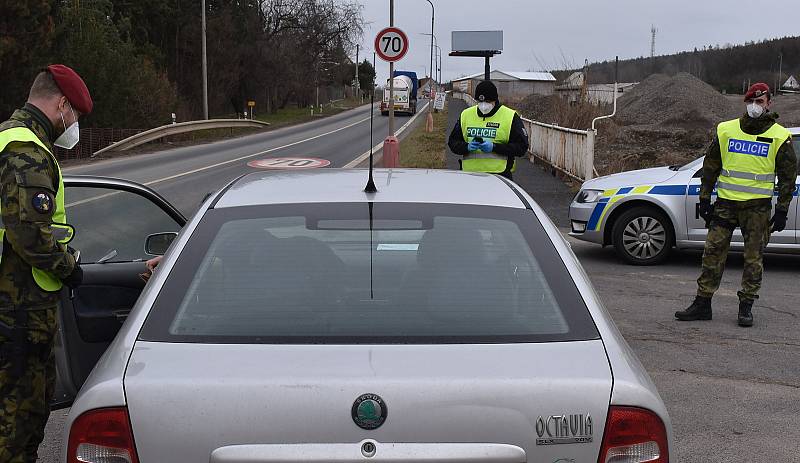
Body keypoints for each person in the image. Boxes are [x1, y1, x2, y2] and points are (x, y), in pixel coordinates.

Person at [0, 64, 92, 462]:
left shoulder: (9, 136)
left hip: (16, 308)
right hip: (17, 311)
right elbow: (30, 237)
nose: (74, 125)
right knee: (17, 426)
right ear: (63, 105)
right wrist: (70, 268)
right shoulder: (26, 153)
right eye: (76, 116)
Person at [675, 83, 797, 327]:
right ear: (745, 103)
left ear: (769, 104)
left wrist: (782, 209)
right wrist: (704, 199)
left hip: (757, 209)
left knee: (753, 259)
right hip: (725, 205)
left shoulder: (779, 135)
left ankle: (746, 307)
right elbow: (710, 167)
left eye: (760, 102)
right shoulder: (726, 130)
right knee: (712, 253)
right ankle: (702, 304)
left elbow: (787, 176)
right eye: (751, 102)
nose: (755, 107)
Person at [448, 80, 529, 180]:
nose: (483, 105)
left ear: (495, 100)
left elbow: (522, 147)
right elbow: (452, 142)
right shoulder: (466, 115)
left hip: (500, 176)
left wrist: (495, 147)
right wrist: (466, 147)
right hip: (469, 175)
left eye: (488, 102)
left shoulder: (510, 116)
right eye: (480, 102)